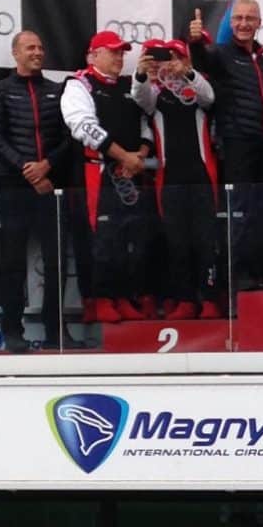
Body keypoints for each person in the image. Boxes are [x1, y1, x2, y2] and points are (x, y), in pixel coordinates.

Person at [0, 30, 82, 349]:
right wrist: (28, 170)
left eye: (40, 47)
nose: (37, 52)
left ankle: (56, 332)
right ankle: (12, 330)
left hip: (50, 186)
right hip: (14, 187)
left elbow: (69, 138)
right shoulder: (0, 91)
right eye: (30, 48)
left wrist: (47, 166)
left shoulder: (56, 91)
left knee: (56, 261)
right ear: (16, 53)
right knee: (12, 261)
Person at [189, 0, 263, 294]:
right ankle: (236, 278)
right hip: (237, 144)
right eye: (238, 18)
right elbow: (201, 61)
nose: (244, 23)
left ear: (259, 22)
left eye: (249, 18)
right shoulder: (221, 54)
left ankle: (260, 273)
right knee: (240, 212)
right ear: (231, 23)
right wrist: (195, 42)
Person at [61, 30, 156, 323]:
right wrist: (123, 156)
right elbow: (82, 126)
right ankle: (99, 299)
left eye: (122, 52)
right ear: (93, 55)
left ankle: (123, 296)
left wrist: (139, 155)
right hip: (97, 170)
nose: (119, 57)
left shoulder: (130, 85)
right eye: (113, 51)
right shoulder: (79, 84)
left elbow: (146, 122)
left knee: (131, 237)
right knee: (99, 237)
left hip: (131, 172)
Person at [135, 38, 220, 320]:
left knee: (206, 239)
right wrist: (141, 74)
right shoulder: (155, 91)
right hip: (169, 177)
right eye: (168, 58)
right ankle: (185, 299)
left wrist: (188, 72)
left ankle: (209, 299)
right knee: (177, 241)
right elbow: (140, 99)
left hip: (202, 175)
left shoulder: (197, 85)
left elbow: (209, 98)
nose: (172, 64)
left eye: (177, 58)